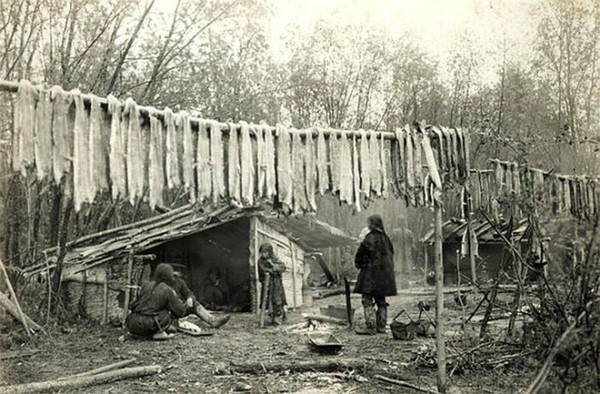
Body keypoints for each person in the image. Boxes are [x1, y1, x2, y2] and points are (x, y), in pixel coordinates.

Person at [354, 215, 397, 335]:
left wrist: (360, 264)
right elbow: (391, 255)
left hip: (370, 275)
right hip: (384, 276)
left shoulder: (370, 238)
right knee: (381, 300)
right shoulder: (386, 239)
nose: (368, 225)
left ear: (373, 225)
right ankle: (381, 327)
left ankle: (371, 327)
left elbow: (360, 255)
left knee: (367, 299)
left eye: (369, 223)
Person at [126, 263, 186, 340]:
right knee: (167, 313)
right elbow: (180, 311)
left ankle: (138, 335)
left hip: (132, 322)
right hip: (148, 325)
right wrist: (176, 298)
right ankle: (157, 334)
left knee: (151, 311)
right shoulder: (167, 290)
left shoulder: (146, 285)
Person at [258, 243, 287, 325]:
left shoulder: (274, 258)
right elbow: (263, 270)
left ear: (269, 252)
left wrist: (273, 265)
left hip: (276, 283)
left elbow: (283, 267)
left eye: (265, 252)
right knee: (267, 300)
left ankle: (277, 317)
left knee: (277, 299)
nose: (263, 254)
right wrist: (272, 271)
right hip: (267, 283)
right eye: (262, 253)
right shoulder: (260, 261)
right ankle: (270, 317)